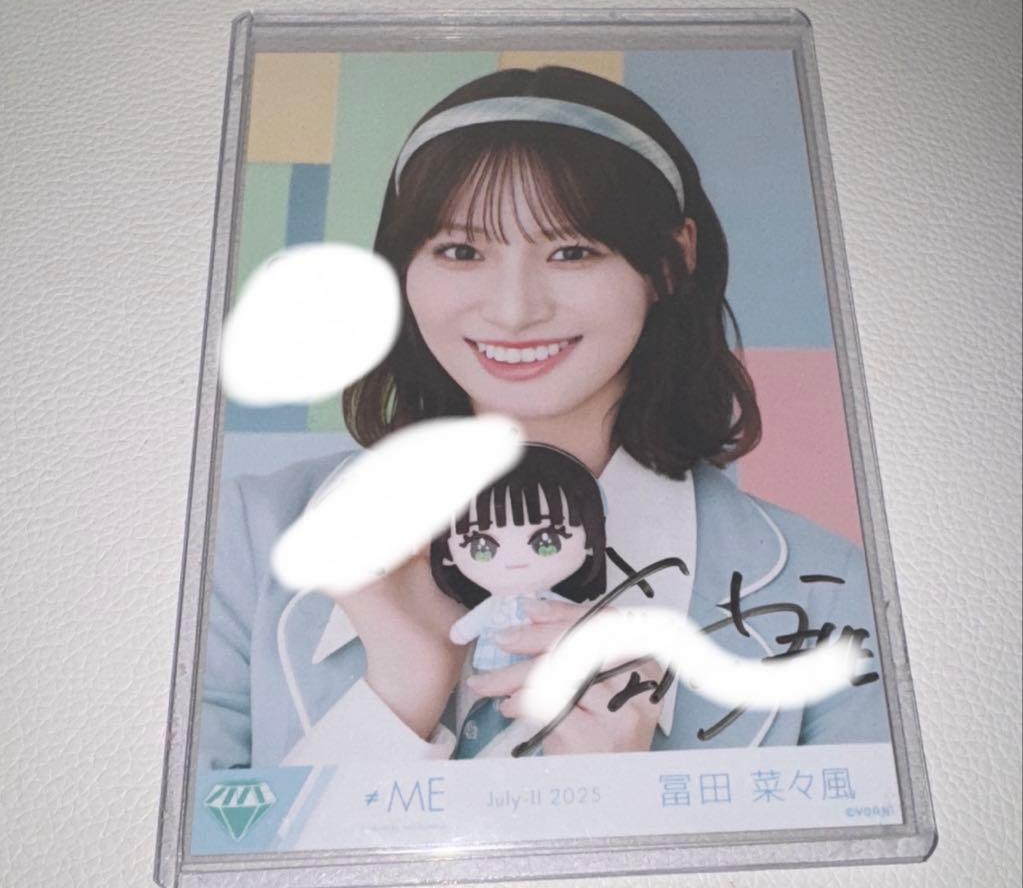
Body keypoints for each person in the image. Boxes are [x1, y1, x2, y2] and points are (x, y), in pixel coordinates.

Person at [199, 65, 889, 770]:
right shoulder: (251, 538)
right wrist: (398, 698)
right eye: (460, 251)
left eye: (572, 251)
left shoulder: (828, 587)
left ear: (671, 261)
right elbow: (179, 834)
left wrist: (627, 789)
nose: (514, 310)